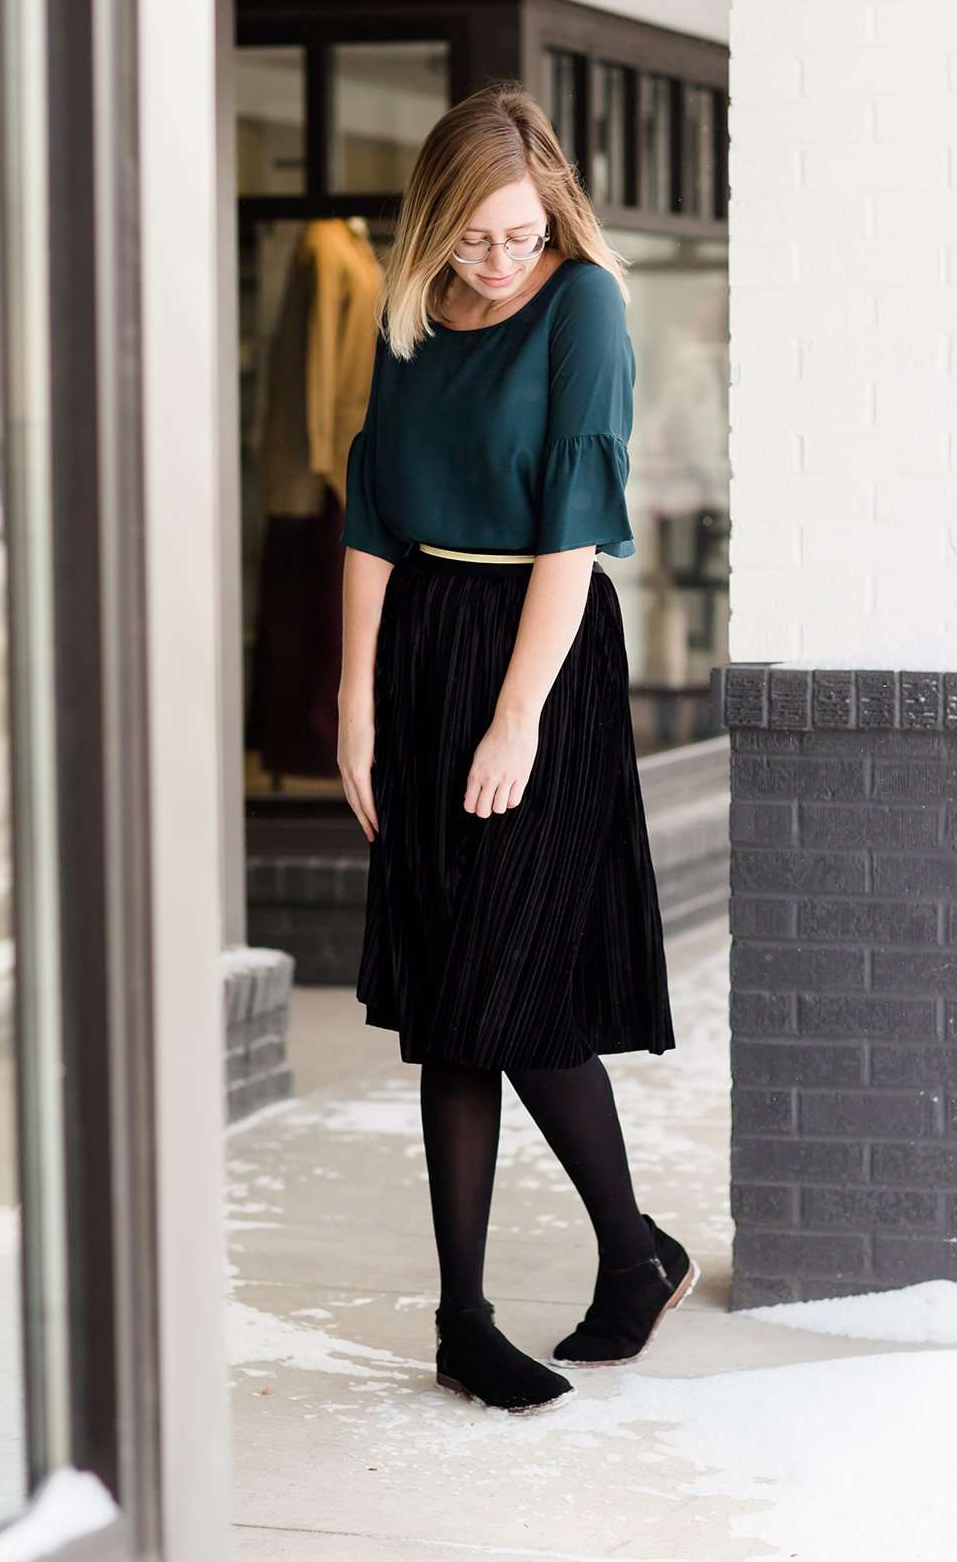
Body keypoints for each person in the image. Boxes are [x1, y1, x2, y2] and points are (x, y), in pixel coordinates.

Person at [336, 81, 699, 1416]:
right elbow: (373, 512)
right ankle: (465, 1318)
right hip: (427, 633)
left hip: (536, 649)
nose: (498, 261)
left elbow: (572, 530)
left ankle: (633, 1249)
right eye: (473, 238)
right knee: (451, 1000)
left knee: (514, 975)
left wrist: (515, 716)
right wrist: (354, 705)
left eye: (518, 234)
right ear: (433, 222)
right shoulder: (412, 311)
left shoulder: (584, 304)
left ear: (550, 208)